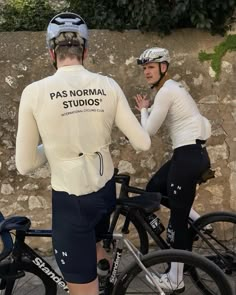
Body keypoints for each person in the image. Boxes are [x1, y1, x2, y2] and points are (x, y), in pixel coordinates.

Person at [15, 12, 151, 295]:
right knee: (98, 247)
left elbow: (25, 164)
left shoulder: (34, 92)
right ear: (85, 50)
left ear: (52, 51)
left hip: (71, 203)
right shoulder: (108, 85)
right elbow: (143, 144)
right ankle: (109, 278)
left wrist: (52, 147)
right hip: (103, 194)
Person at [135, 47, 211, 291]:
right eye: (144, 68)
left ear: (163, 68)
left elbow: (147, 133)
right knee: (153, 190)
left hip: (187, 157)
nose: (146, 72)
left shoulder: (167, 92)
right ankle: (198, 221)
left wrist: (143, 110)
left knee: (177, 221)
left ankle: (175, 280)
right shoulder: (173, 88)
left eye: (151, 67)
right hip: (191, 155)